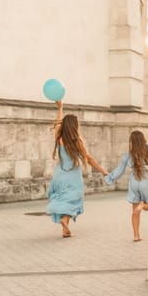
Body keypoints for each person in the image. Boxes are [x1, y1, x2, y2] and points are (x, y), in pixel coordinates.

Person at [46, 101, 108, 238]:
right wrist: (103, 171)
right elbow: (89, 158)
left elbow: (57, 123)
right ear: (75, 126)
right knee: (73, 200)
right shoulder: (78, 141)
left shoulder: (59, 137)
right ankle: (64, 219)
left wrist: (60, 108)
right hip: (73, 175)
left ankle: (65, 229)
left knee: (63, 198)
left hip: (59, 174)